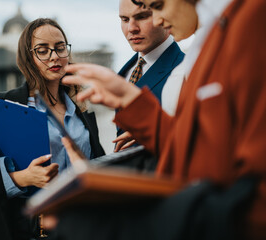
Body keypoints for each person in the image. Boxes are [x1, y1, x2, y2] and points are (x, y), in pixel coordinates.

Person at [47, 0, 266, 239]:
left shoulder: (249, 20)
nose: (158, 20)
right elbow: (198, 149)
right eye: (124, 19)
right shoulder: (213, 33)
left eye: (156, 7)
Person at [0, 18, 105, 240]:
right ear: (29, 57)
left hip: (83, 225)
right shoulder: (4, 110)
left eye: (60, 48)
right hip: (34, 229)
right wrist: (23, 178)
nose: (54, 56)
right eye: (42, 50)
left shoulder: (82, 111)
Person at [114, 0, 184, 152]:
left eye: (142, 16)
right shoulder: (125, 71)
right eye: (125, 19)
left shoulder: (186, 70)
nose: (131, 28)